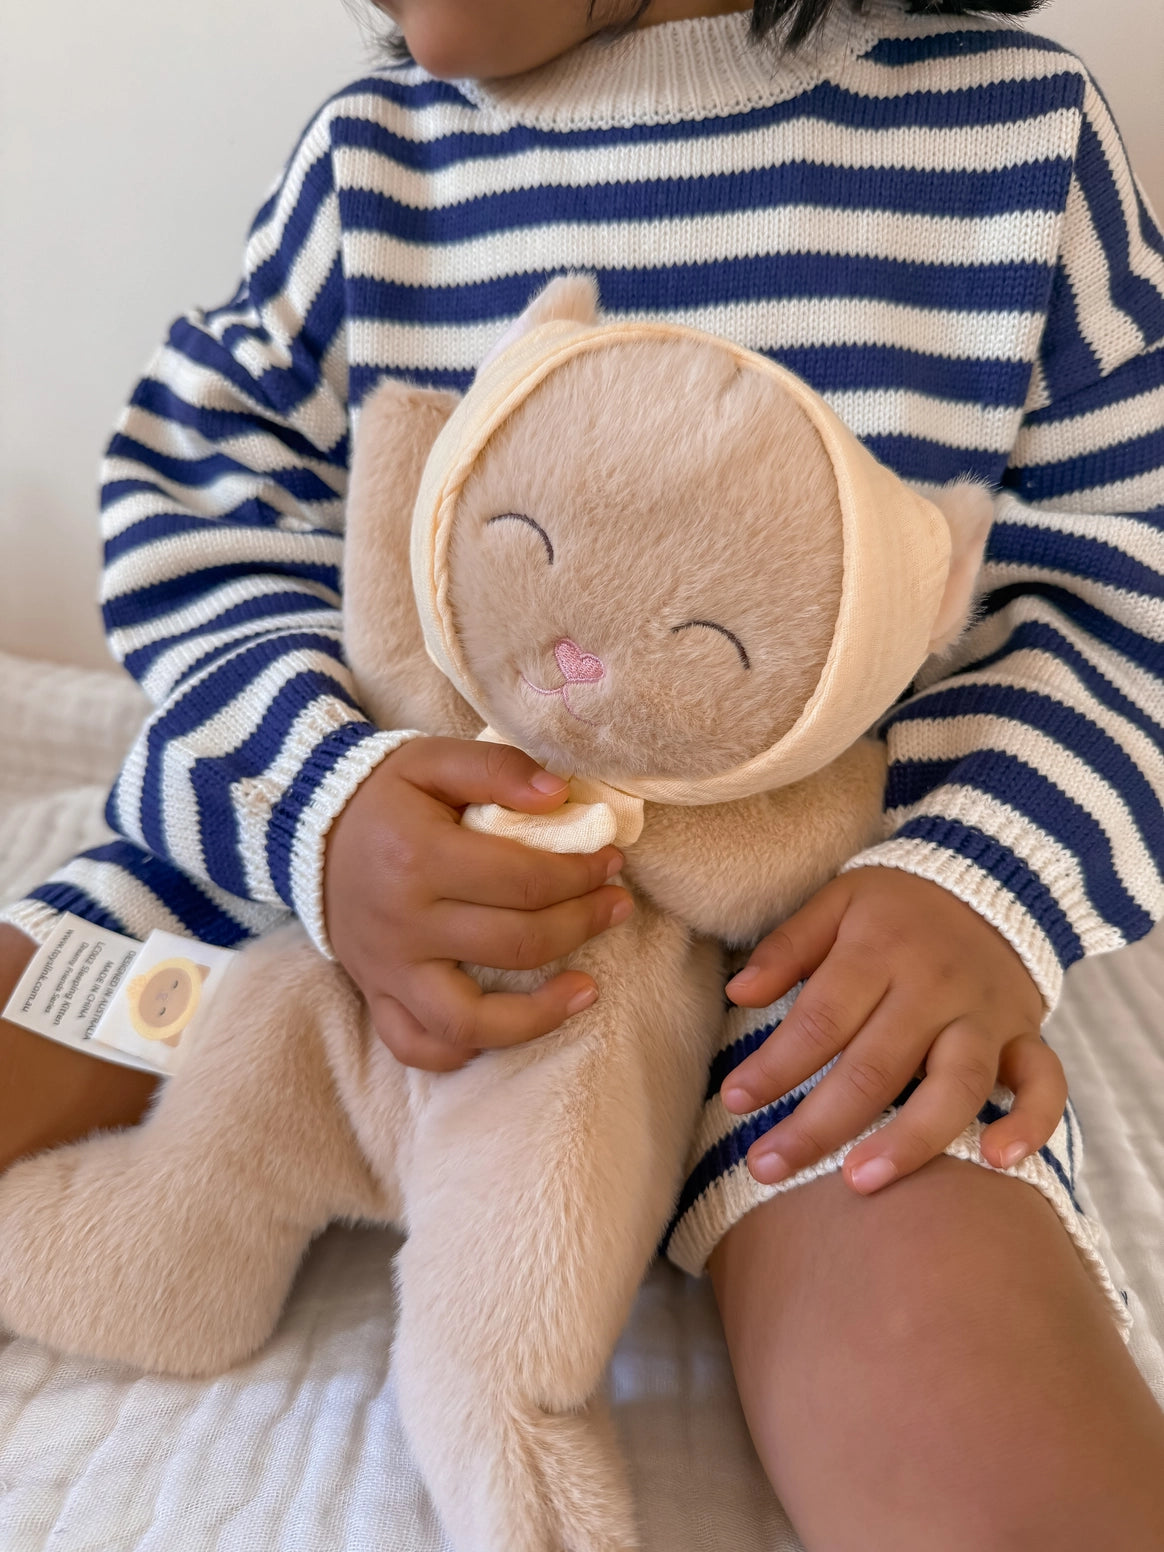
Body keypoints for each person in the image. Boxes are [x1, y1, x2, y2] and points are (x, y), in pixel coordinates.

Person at [3, 0, 1164, 1543]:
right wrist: (325, 805)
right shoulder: (372, 165)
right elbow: (207, 515)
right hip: (338, 855)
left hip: (814, 946)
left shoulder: (1016, 146)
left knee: (985, 1443)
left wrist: (977, 887)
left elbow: (1122, 597)